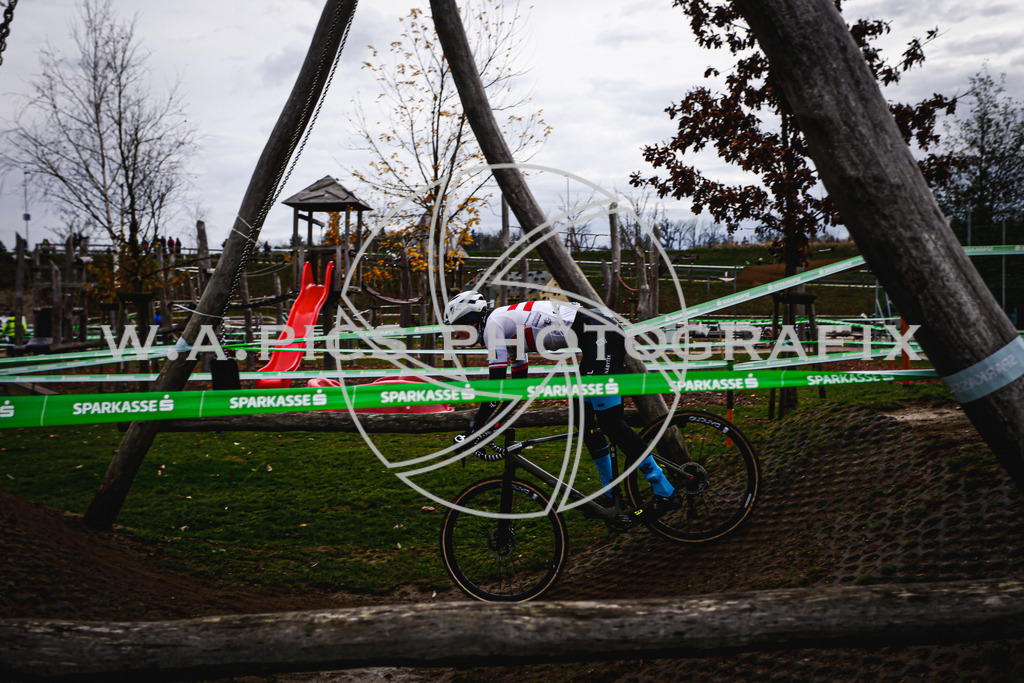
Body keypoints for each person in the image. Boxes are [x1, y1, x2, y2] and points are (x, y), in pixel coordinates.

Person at [443, 291, 681, 521]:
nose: (462, 337)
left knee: (611, 423)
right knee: (583, 420)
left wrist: (474, 429)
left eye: (460, 330)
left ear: (471, 319)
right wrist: (492, 425)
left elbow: (495, 390)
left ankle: (664, 489)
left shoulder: (493, 326)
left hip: (600, 337)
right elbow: (515, 391)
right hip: (595, 339)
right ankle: (609, 494)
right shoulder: (504, 328)